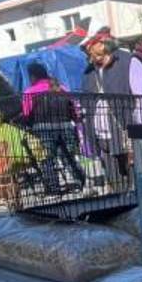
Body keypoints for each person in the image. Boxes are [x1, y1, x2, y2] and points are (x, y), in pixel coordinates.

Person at [79, 28, 142, 181]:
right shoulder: (88, 71)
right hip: (101, 139)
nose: (88, 53)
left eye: (89, 47)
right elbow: (85, 106)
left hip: (127, 136)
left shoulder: (129, 61)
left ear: (103, 44)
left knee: (137, 182)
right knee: (115, 184)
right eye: (86, 51)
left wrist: (138, 132)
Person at [22, 62, 85, 194]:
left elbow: (26, 113)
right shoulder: (61, 88)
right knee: (68, 156)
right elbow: (73, 107)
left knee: (46, 159)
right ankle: (80, 180)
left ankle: (53, 187)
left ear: (33, 76)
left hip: (42, 128)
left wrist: (27, 125)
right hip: (65, 126)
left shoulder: (30, 92)